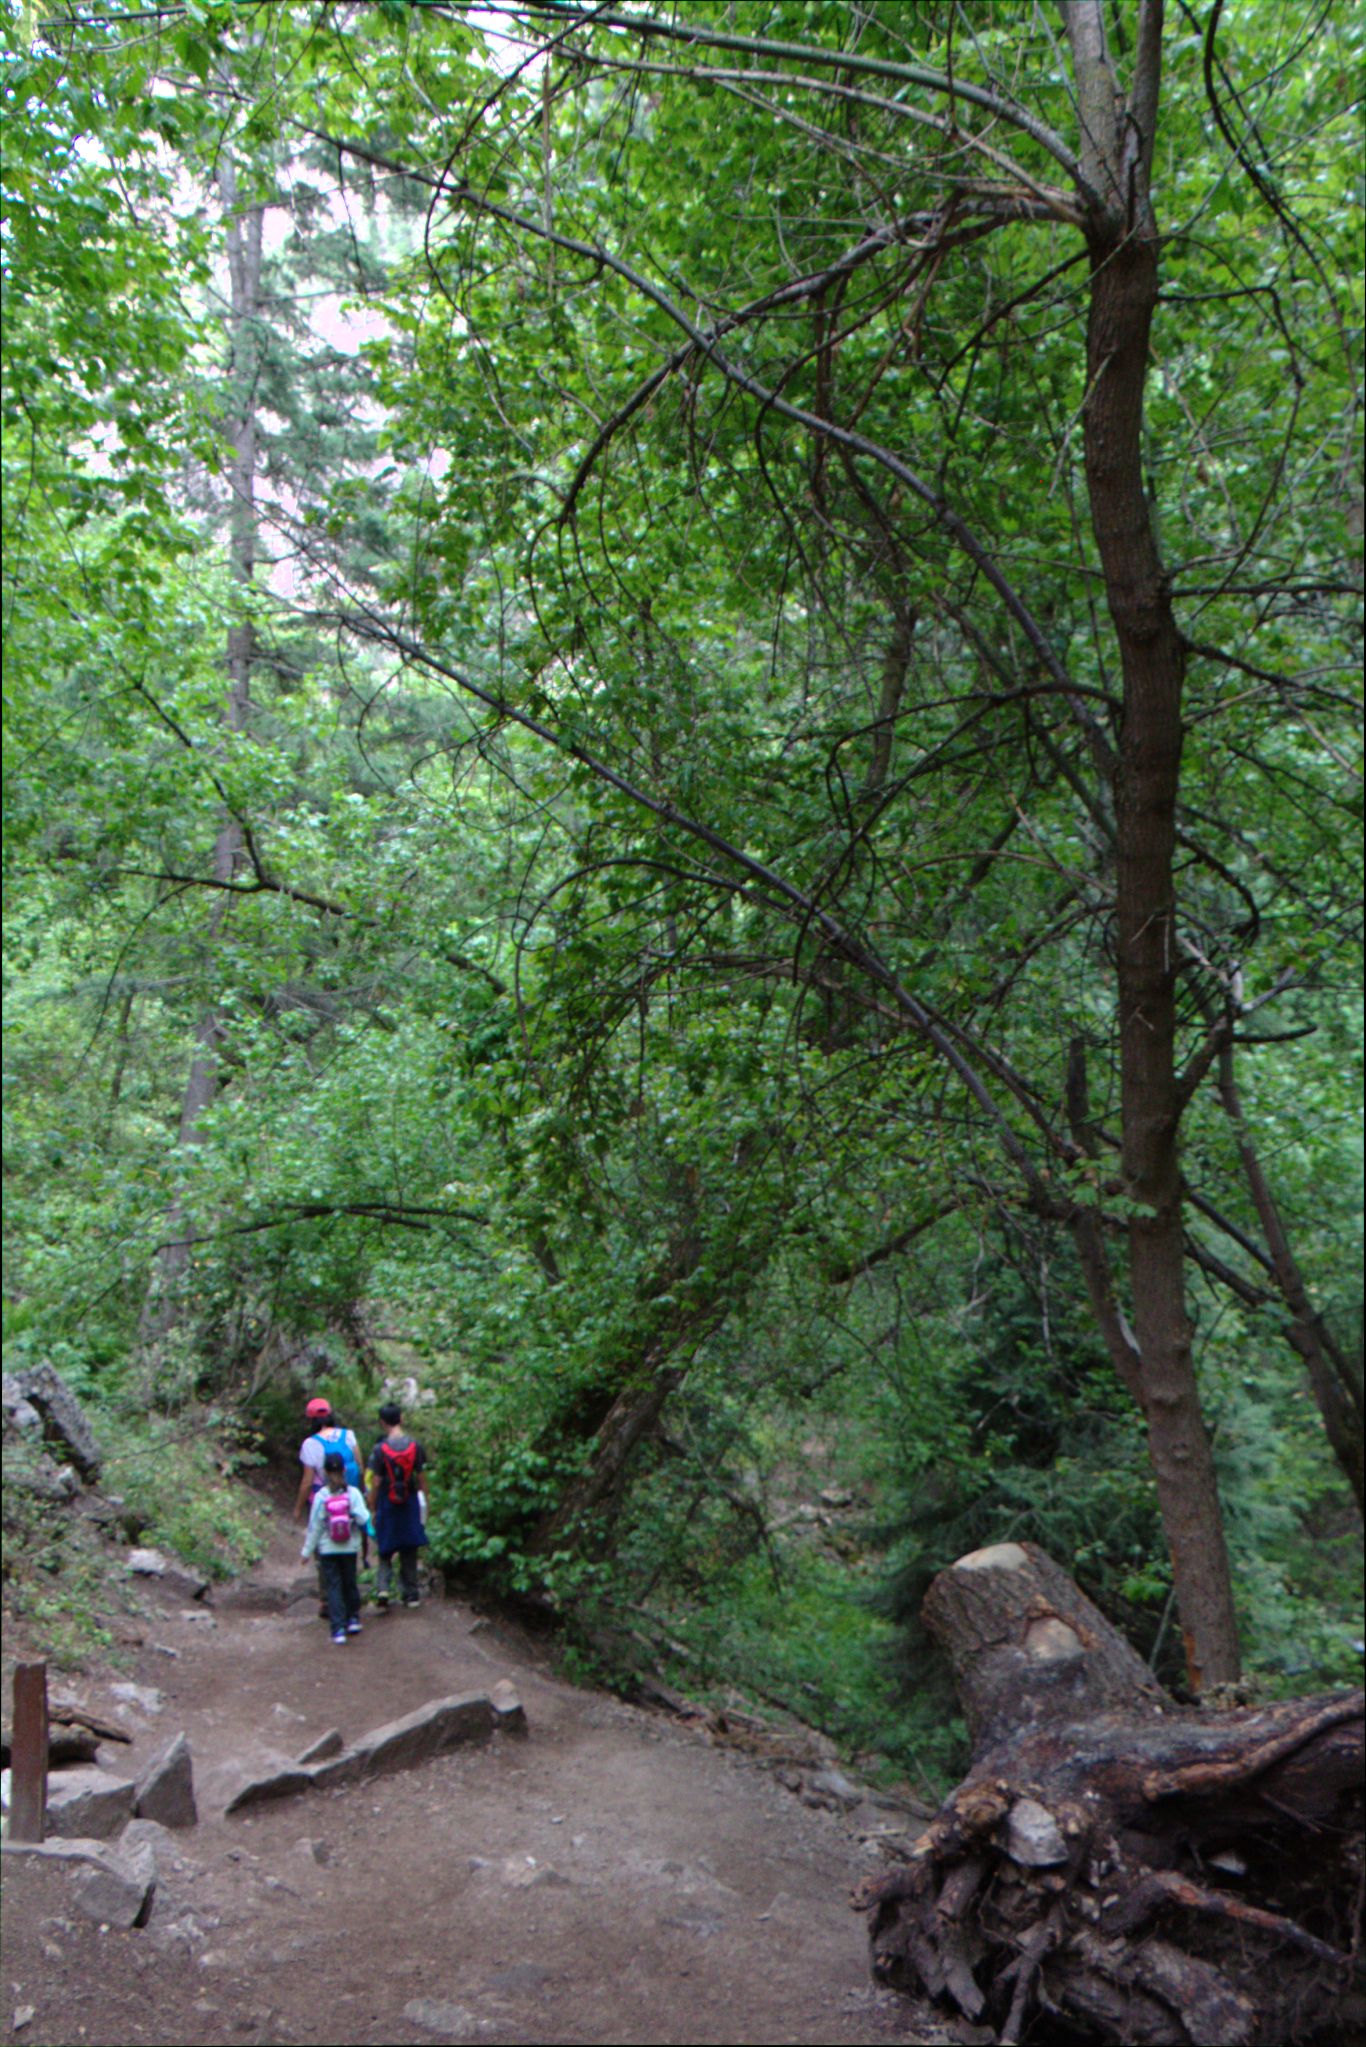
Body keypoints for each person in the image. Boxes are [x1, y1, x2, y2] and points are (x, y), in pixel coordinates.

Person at [294, 1398, 366, 1614]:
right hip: (349, 1499)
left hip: (323, 1501)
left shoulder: (310, 1444)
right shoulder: (349, 1435)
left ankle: (328, 1600)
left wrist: (298, 1507)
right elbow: (360, 1467)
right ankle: (350, 1595)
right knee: (349, 1544)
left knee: (324, 1550)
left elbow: (307, 1481)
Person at [301, 1451, 373, 1644]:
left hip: (328, 1549)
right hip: (349, 1547)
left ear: (324, 1471)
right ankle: (353, 1619)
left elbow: (314, 1526)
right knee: (350, 1582)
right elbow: (363, 1518)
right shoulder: (353, 1493)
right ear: (344, 1470)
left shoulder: (321, 1496)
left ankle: (338, 1628)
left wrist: (306, 1552)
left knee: (334, 1586)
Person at [366, 1401, 428, 1610]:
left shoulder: (379, 1449)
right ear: (401, 1418)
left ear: (382, 1423)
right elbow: (421, 1476)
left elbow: (375, 1481)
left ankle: (383, 1588)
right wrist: (425, 1501)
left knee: (385, 1544)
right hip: (409, 1500)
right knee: (409, 1547)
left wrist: (372, 1506)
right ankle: (411, 1595)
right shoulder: (415, 1445)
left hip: (387, 1500)